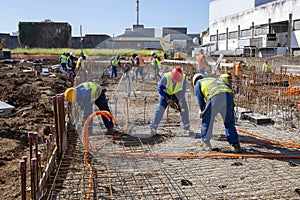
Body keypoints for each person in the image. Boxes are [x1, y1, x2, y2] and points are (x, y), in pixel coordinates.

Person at [192, 73, 241, 152]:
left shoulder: (198, 84)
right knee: (229, 122)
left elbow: (200, 101)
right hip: (228, 96)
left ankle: (206, 143)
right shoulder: (213, 80)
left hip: (215, 96)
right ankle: (235, 144)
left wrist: (203, 112)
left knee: (207, 121)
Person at [150, 67, 190, 134]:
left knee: (184, 109)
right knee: (160, 109)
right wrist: (167, 98)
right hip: (166, 94)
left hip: (177, 94)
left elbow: (183, 90)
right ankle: (154, 127)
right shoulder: (166, 77)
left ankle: (186, 128)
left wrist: (180, 100)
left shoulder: (183, 77)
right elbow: (160, 88)